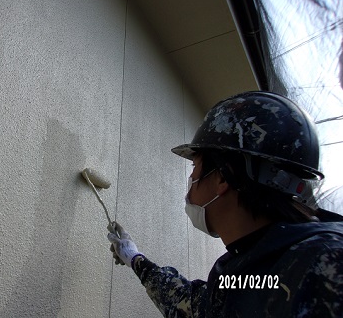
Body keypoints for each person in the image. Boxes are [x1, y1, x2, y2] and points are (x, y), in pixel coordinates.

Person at [107, 91, 343, 317]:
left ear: (222, 177)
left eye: (195, 167)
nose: (191, 179)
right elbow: (191, 306)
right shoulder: (253, 270)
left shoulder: (325, 264)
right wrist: (135, 258)